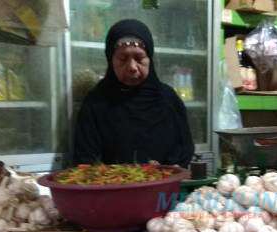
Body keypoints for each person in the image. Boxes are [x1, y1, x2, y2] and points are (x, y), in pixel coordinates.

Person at [73, 19, 195, 168]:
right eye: (123, 59)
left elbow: (184, 148)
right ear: (111, 61)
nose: (132, 67)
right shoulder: (96, 103)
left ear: (149, 58)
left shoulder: (168, 99)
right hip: (111, 188)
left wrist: (165, 170)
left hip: (164, 187)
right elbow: (85, 159)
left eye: (139, 58)